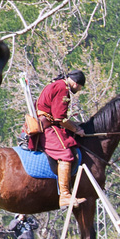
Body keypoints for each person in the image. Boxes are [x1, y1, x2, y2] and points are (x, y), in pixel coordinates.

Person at [36, 69, 87, 208]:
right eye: (81, 86)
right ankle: (64, 195)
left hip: (48, 122)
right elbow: (60, 118)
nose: (80, 89)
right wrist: (76, 129)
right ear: (76, 83)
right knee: (66, 154)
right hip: (48, 126)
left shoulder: (57, 85)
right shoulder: (62, 88)